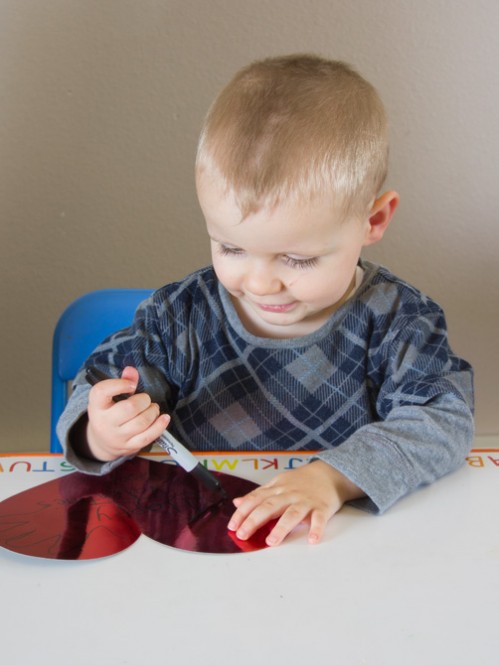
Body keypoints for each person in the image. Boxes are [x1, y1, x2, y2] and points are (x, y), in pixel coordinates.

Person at [57, 54, 474, 547]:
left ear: (374, 221)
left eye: (296, 259)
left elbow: (442, 420)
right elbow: (98, 387)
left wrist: (332, 477)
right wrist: (99, 432)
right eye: (231, 248)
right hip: (201, 546)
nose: (258, 284)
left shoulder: (398, 322)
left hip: (338, 549)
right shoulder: (179, 318)